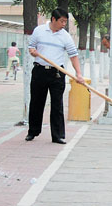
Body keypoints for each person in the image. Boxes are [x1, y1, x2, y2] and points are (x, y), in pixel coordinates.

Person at [25, 8, 84, 144]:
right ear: (53, 19)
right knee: (36, 102)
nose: (64, 24)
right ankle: (33, 131)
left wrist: (78, 74)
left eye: (65, 21)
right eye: (62, 21)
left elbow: (73, 55)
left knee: (57, 105)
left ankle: (57, 135)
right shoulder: (39, 31)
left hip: (57, 73)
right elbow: (31, 47)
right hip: (39, 71)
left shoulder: (65, 36)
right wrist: (33, 52)